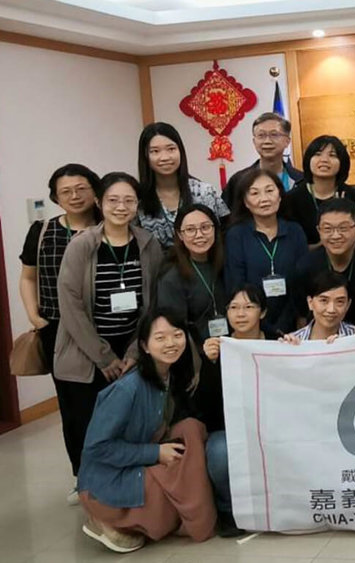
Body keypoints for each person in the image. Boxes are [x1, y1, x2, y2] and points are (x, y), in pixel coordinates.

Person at [54, 172, 164, 505]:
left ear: (137, 204)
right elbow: (70, 304)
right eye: (113, 200)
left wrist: (133, 350)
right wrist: (103, 356)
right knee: (86, 425)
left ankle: (120, 487)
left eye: (129, 200)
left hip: (132, 346)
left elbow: (152, 302)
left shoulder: (147, 243)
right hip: (86, 350)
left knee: (126, 424)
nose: (121, 207)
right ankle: (87, 488)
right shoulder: (82, 245)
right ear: (100, 202)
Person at [77, 310, 215, 552]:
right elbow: (96, 448)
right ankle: (109, 520)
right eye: (160, 338)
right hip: (106, 482)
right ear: (144, 346)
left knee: (192, 430)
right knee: (174, 493)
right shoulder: (126, 389)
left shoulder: (169, 375)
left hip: (138, 460)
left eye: (177, 335)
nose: (171, 343)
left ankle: (181, 514)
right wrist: (155, 453)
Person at [19, 164, 100, 502]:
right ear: (55, 196)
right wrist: (35, 317)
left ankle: (116, 472)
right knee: (73, 406)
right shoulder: (42, 231)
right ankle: (83, 475)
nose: (74, 196)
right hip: (60, 332)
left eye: (81, 188)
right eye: (66, 191)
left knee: (111, 401)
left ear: (94, 190)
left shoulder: (110, 226)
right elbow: (28, 277)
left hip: (107, 330)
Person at [200, 285, 273, 538]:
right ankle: (228, 510)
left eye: (249, 307)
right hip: (230, 428)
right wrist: (210, 364)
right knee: (219, 451)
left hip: (272, 425)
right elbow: (206, 407)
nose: (240, 314)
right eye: (233, 307)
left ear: (262, 312)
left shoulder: (277, 342)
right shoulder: (219, 347)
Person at [224, 167, 308, 336]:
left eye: (269, 191)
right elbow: (236, 283)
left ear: (280, 195)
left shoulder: (295, 231)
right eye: (254, 193)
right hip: (251, 326)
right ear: (245, 202)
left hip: (292, 325)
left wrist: (288, 321)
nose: (264, 199)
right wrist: (262, 324)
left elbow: (302, 280)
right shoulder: (236, 235)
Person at [290, 197, 355, 326]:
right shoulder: (306, 266)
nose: (336, 235)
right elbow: (302, 316)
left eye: (343, 228)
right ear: (319, 231)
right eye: (328, 229)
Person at [136, 122, 230, 248]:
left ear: (180, 151)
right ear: (145, 156)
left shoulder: (204, 192)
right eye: (155, 151)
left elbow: (226, 232)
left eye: (171, 149)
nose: (165, 157)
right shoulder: (138, 200)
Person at [157, 204, 227, 345]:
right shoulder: (172, 277)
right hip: (197, 350)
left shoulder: (228, 262)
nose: (199, 235)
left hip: (232, 344)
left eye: (205, 227)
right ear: (180, 235)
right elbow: (175, 328)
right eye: (190, 230)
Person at [281, 134, 355, 246]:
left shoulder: (353, 196)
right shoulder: (292, 199)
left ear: (342, 162)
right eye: (318, 154)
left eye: (332, 155)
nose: (324, 160)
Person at [222, 112, 304, 208]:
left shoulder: (301, 180)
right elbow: (226, 215)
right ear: (254, 142)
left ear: (287, 141)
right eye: (261, 135)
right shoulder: (238, 181)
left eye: (274, 135)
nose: (267, 141)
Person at [281, 270, 355, 343]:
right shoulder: (293, 341)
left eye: (340, 302)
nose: (331, 310)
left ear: (348, 305)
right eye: (324, 300)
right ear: (310, 303)